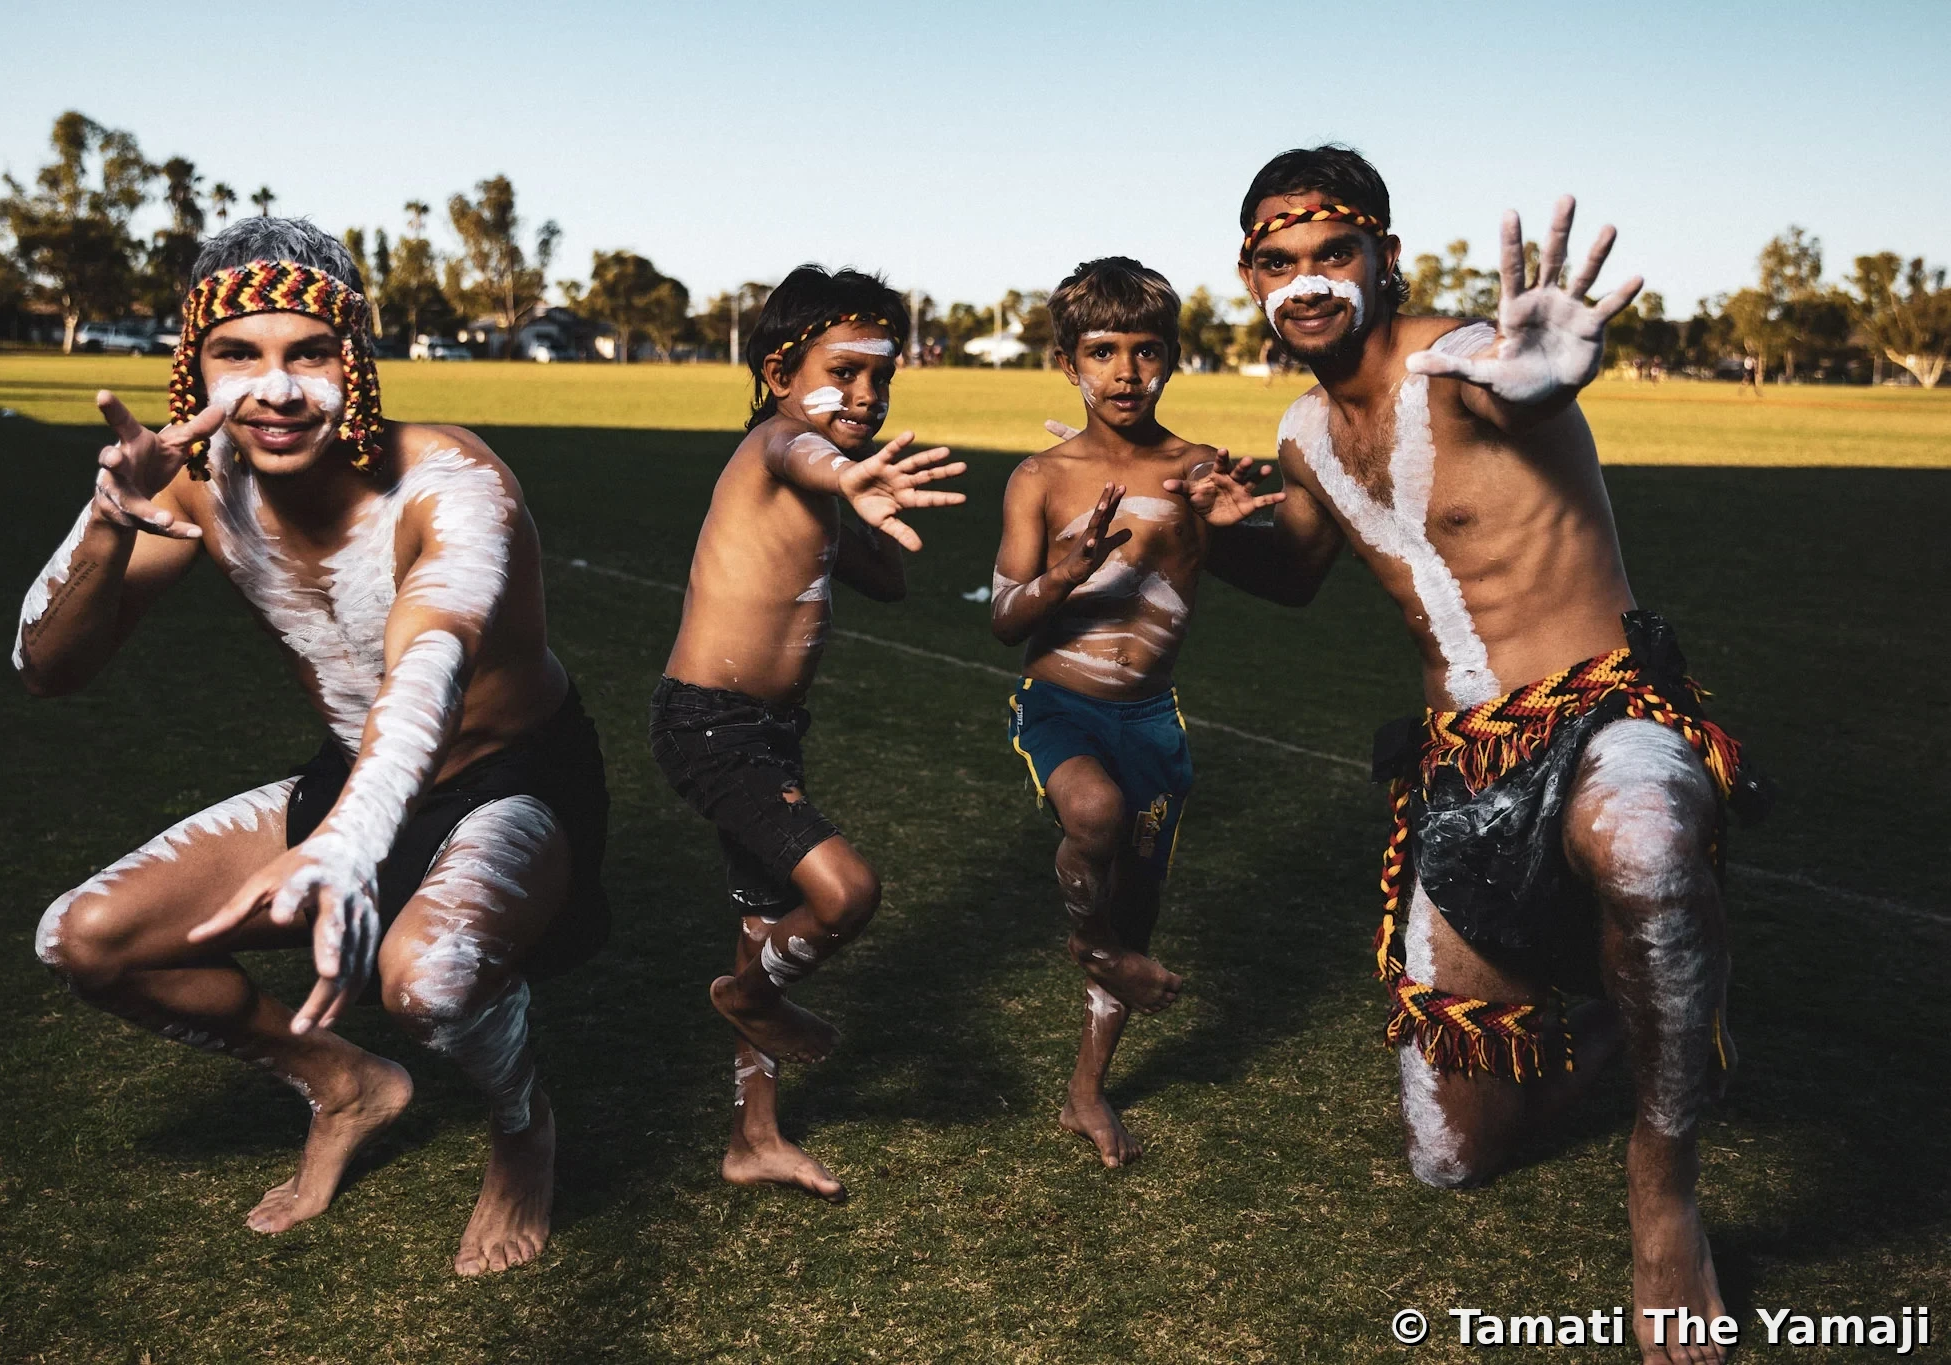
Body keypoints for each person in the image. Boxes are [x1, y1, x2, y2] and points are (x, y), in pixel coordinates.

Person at [1195, 146, 1767, 1365]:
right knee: (1450, 1159)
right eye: (1275, 263)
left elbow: (1522, 384)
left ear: (1384, 259)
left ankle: (1662, 1193)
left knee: (1645, 843)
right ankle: (1632, 1019)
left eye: (1330, 254)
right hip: (1458, 775)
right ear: (1247, 278)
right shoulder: (1300, 432)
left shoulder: (1465, 361)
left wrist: (1552, 371)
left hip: (1608, 718)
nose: (1304, 282)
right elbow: (1293, 570)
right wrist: (1196, 537)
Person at [18, 218, 611, 1276]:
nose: (277, 389)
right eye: (237, 355)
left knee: (424, 984)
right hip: (355, 777)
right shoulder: (199, 487)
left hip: (508, 778)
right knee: (85, 938)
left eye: (310, 353)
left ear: (358, 360)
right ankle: (343, 1084)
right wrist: (109, 520)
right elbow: (49, 668)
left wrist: (348, 843)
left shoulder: (452, 479)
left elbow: (429, 666)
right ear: (193, 368)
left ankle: (522, 1125)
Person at [648, 265, 965, 1200]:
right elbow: (801, 455)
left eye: (883, 378)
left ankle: (755, 1137)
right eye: (845, 371)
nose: (866, 395)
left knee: (758, 922)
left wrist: (862, 506)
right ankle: (752, 998)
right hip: (712, 725)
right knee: (845, 891)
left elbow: (890, 580)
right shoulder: (777, 441)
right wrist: (845, 476)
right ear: (781, 368)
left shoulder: (824, 469)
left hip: (769, 729)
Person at [990, 258, 1282, 1168]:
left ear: (1173, 359)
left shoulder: (1198, 471)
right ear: (1065, 363)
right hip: (1062, 706)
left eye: (1146, 351)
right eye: (1102, 351)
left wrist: (1239, 529)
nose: (1125, 372)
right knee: (1093, 815)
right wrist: (1063, 575)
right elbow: (1003, 618)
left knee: (1139, 911)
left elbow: (1274, 571)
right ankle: (1090, 942)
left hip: (1151, 719)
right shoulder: (1041, 477)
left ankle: (1087, 1090)